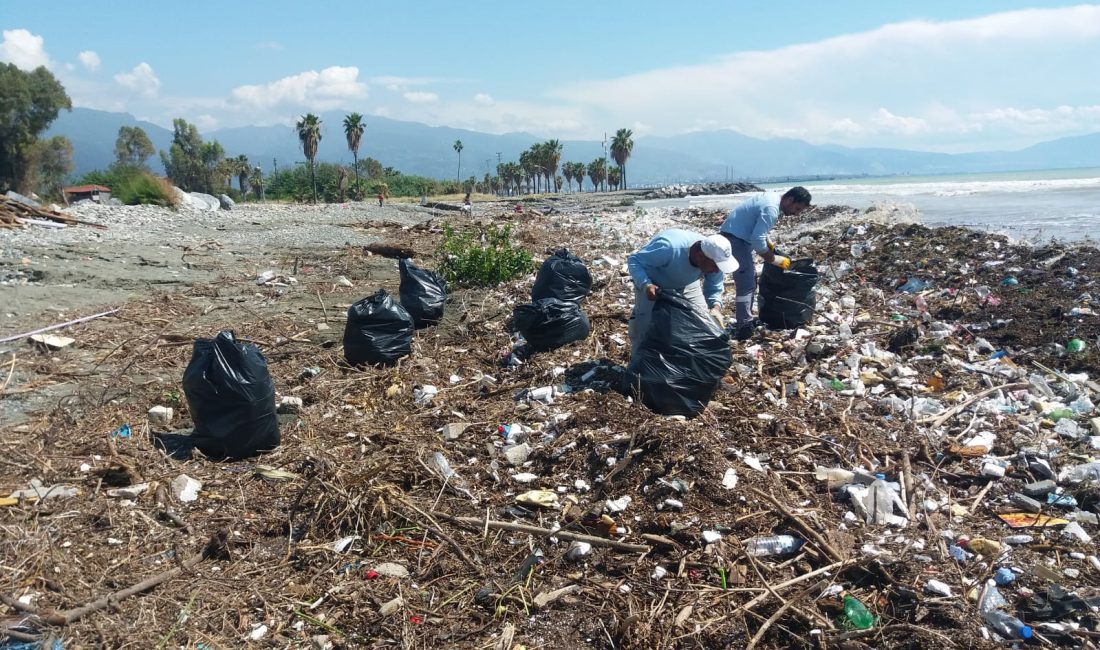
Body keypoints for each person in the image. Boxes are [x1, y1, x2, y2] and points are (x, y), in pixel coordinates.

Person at [719, 186, 812, 340]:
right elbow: (757, 241)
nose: (796, 214)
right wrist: (775, 259)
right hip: (735, 240)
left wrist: (768, 241)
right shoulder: (771, 208)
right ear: (789, 199)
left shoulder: (772, 198)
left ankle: (744, 320)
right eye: (797, 208)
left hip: (736, 235)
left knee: (748, 280)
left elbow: (756, 226)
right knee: (747, 283)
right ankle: (744, 325)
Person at [627, 229, 739, 357]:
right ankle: (639, 367)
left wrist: (716, 307)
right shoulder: (669, 248)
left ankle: (687, 363)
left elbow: (714, 286)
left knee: (702, 323)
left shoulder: (713, 257)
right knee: (644, 328)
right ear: (700, 257)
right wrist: (645, 284)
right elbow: (635, 260)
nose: (716, 271)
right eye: (715, 266)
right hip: (654, 285)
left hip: (688, 284)